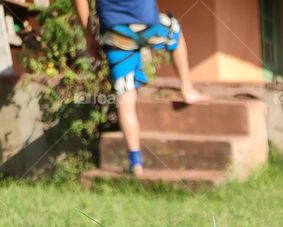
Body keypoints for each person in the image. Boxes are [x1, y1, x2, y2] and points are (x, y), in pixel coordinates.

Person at [73, 0, 209, 175]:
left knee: (126, 96)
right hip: (146, 23)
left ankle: (136, 163)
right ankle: (187, 89)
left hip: (115, 31)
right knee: (174, 30)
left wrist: (89, 38)